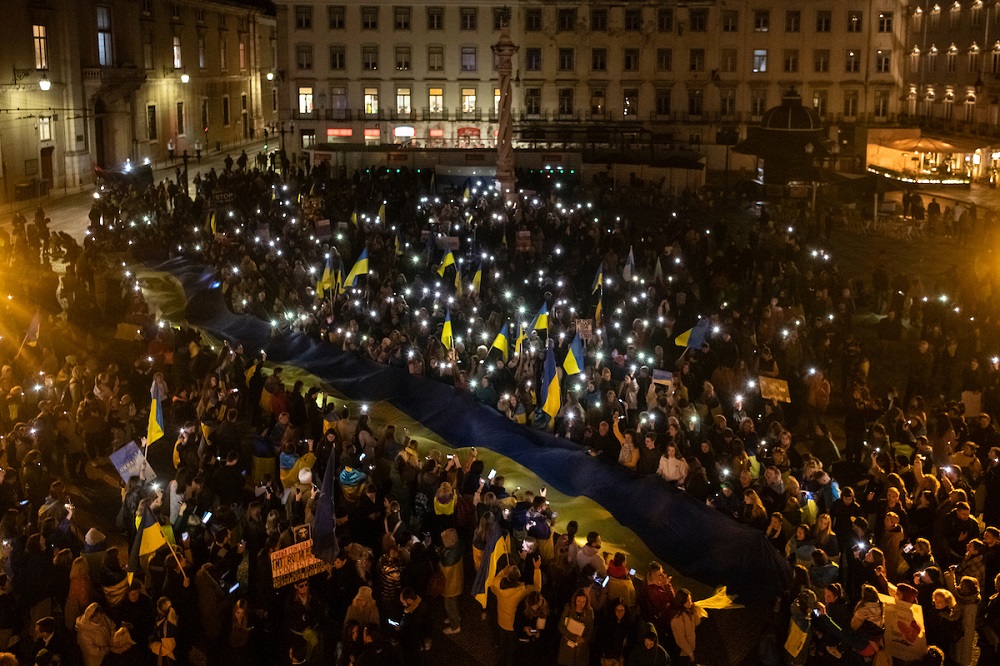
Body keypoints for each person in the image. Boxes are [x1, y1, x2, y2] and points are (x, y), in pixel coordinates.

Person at [557, 589, 594, 666]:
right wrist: (573, 637)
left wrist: (583, 639)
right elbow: (561, 626)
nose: (581, 604)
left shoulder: (589, 613)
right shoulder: (568, 609)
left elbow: (590, 630)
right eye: (579, 601)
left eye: (583, 602)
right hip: (567, 647)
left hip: (581, 648)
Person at [668, 588, 703, 665]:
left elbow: (696, 623)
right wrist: (690, 653)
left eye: (690, 599)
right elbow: (680, 639)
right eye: (687, 600)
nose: (690, 602)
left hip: (692, 645)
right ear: (681, 602)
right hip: (684, 653)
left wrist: (696, 612)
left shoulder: (689, 611)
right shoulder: (677, 619)